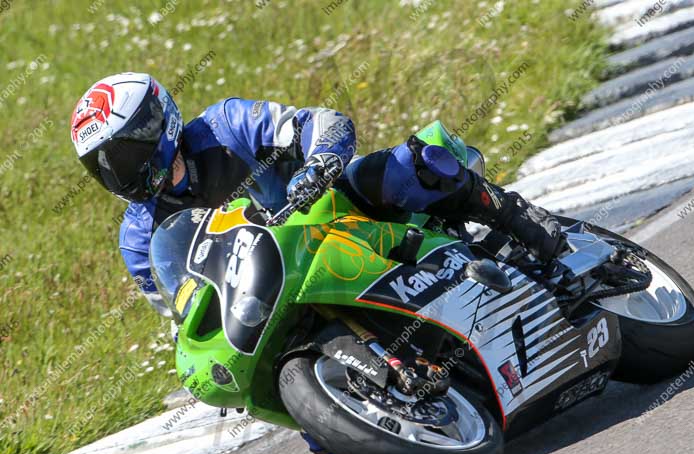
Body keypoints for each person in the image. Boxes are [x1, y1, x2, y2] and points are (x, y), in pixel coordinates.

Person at [71, 73, 562, 316]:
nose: (121, 176)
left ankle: (517, 217)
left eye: (125, 157)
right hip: (278, 285)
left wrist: (321, 158)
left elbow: (318, 122)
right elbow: (181, 309)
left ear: (156, 125)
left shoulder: (224, 126)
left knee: (415, 165)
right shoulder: (139, 239)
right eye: (104, 169)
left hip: (330, 210)